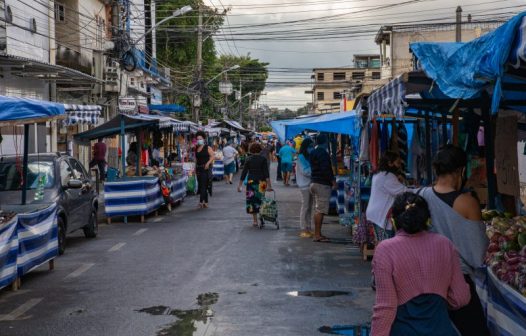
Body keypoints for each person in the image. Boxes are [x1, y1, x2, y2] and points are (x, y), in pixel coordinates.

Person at [371, 192, 471, 336]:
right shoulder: (445, 244)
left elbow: (386, 307)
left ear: (394, 221)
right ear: (427, 220)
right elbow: (460, 298)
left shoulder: (385, 250)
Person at [416, 145, 489, 336]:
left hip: (425, 279)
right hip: (458, 281)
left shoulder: (420, 195)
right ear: (461, 171)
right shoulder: (467, 203)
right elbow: (478, 254)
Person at [366, 151, 408, 242]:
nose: (400, 165)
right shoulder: (388, 177)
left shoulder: (379, 174)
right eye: (397, 163)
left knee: (382, 243)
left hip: (376, 213)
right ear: (390, 163)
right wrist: (423, 190)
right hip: (381, 214)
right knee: (385, 244)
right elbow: (403, 191)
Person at [238, 143, 273, 227]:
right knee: (261, 199)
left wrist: (239, 185)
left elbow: (244, 173)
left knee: (252, 201)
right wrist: (269, 186)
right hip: (262, 182)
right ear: (260, 149)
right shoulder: (263, 159)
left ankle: (255, 221)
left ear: (251, 150)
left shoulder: (248, 159)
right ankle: (261, 218)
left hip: (251, 182)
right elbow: (266, 174)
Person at [309, 134, 336, 242]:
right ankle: (317, 235)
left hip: (314, 182)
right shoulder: (323, 153)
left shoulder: (313, 152)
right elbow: (326, 170)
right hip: (322, 184)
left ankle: (318, 233)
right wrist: (333, 181)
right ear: (325, 142)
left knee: (318, 209)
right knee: (320, 210)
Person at [296, 138, 314, 238]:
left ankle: (308, 227)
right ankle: (303, 228)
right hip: (304, 185)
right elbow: (305, 171)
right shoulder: (301, 157)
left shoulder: (308, 157)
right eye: (310, 146)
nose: (311, 148)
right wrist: (314, 170)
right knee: (305, 206)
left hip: (310, 184)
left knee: (309, 207)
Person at [195, 131, 215, 208]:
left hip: (205, 169)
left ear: (203, 139)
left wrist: (208, 163)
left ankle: (201, 202)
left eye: (200, 139)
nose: (199, 140)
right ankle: (206, 202)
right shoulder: (196, 148)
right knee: (202, 186)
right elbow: (196, 159)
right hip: (198, 169)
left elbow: (213, 156)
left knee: (203, 186)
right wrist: (194, 168)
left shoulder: (207, 147)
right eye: (197, 139)